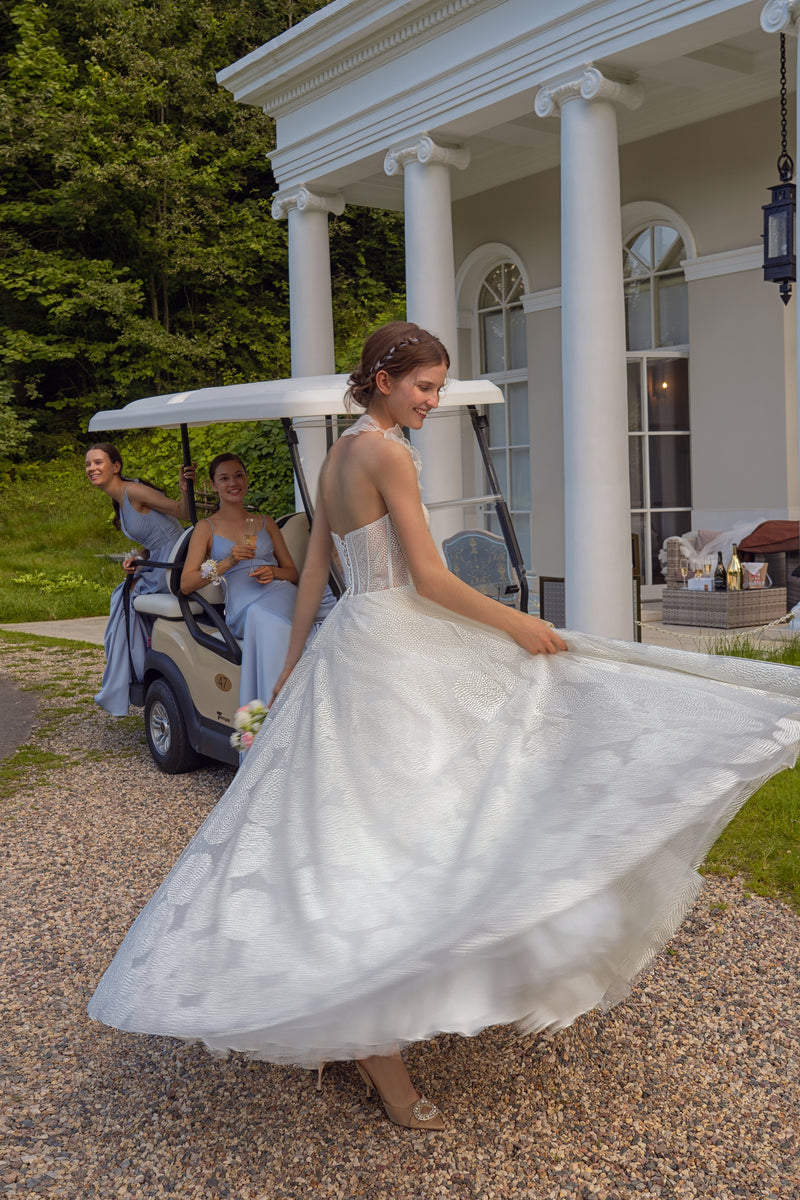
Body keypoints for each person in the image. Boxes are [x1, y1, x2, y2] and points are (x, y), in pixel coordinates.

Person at [89, 323, 800, 1132]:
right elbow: (425, 577)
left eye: (437, 388)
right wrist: (514, 624)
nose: (433, 400)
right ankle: (377, 1046)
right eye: (425, 387)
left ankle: (338, 1005)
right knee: (426, 815)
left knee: (356, 830)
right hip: (394, 642)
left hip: (354, 639)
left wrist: (294, 663)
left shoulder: (337, 453)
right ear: (386, 379)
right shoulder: (385, 453)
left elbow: (320, 566)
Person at [179, 453, 334, 706]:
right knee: (267, 619)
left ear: (247, 479)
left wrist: (273, 572)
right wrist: (228, 561)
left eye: (239, 475)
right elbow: (186, 583)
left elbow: (292, 573)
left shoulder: (263, 523)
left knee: (320, 609)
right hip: (246, 605)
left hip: (281, 592)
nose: (233, 483)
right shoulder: (206, 528)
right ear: (213, 484)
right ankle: (283, 707)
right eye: (224, 478)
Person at [86, 443, 195, 717]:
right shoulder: (120, 501)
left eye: (98, 462)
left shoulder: (133, 491)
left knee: (126, 599)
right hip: (156, 561)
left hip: (174, 562)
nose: (92, 469)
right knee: (122, 596)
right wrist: (138, 557)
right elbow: (151, 539)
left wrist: (184, 488)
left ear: (116, 466)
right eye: (88, 464)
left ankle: (134, 670)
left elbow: (183, 514)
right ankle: (131, 669)